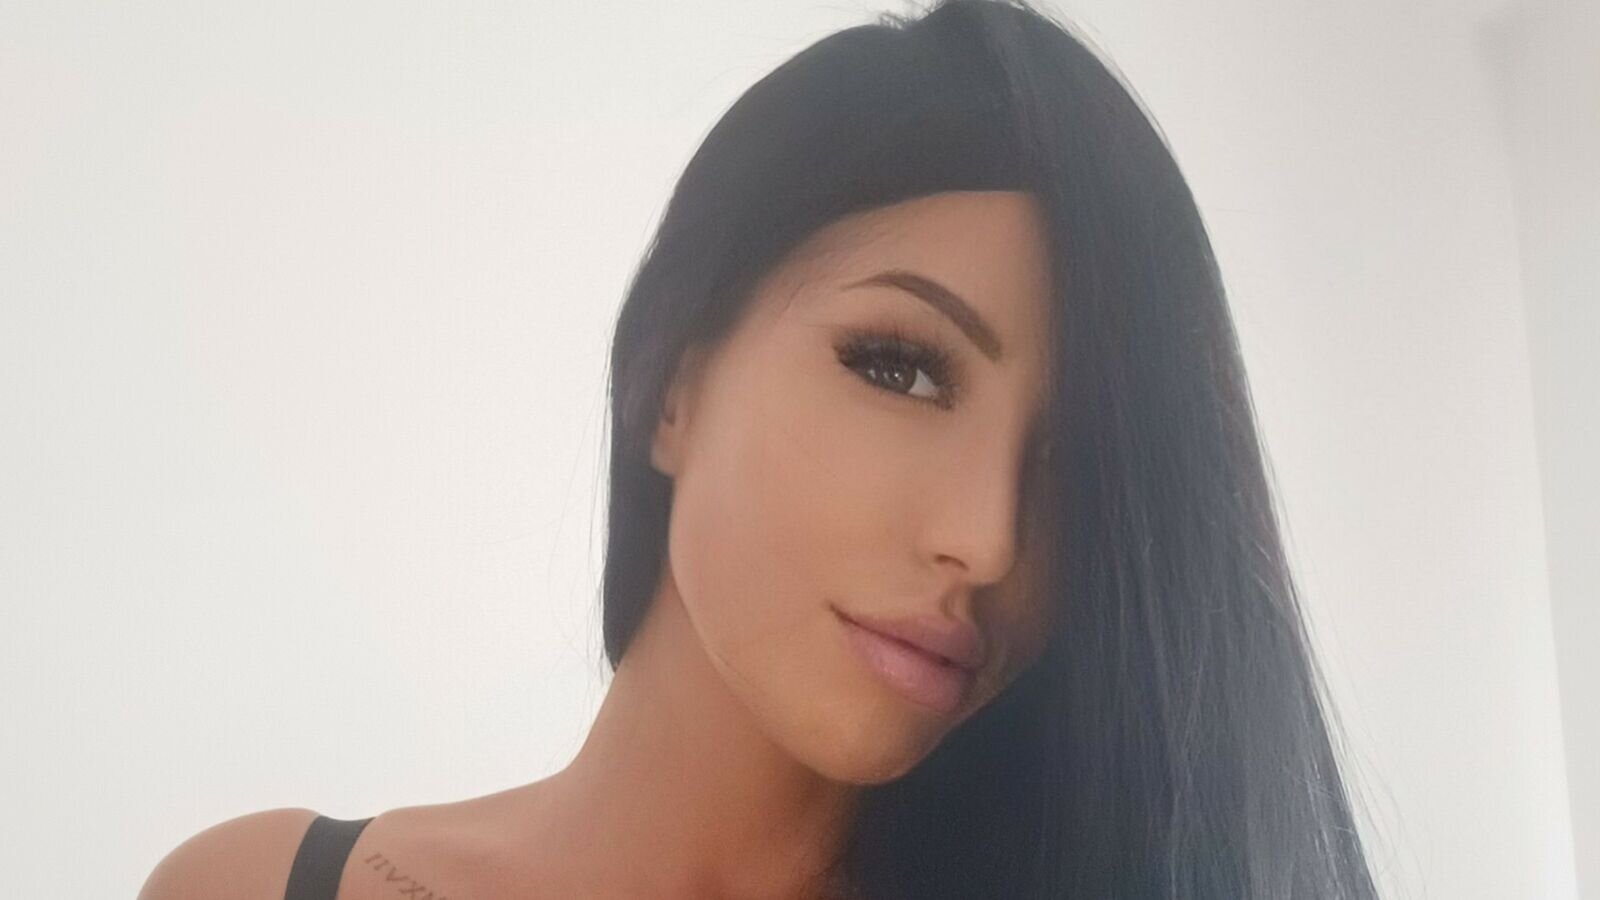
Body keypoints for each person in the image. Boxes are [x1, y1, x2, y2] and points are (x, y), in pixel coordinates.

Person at [138, 1, 1382, 897]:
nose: (989, 537)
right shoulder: (250, 886)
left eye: (1081, 466)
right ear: (669, 383)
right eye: (900, 367)